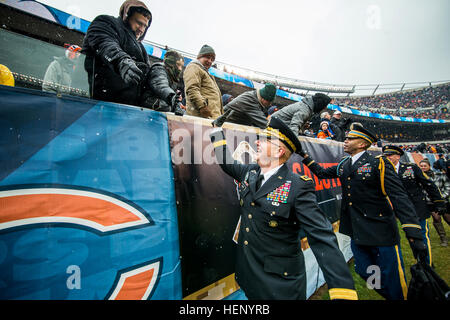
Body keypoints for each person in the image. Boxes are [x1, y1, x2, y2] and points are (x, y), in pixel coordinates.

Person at [209, 116, 357, 300]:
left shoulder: (298, 186)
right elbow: (227, 163)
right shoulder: (251, 172)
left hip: (279, 286)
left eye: (265, 140)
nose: (258, 142)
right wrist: (216, 130)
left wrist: (342, 289)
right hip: (249, 276)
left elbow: (321, 236)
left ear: (279, 151)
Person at [300, 124, 426, 300]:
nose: (345, 140)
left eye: (350, 138)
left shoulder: (379, 163)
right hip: (357, 232)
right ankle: (389, 295)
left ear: (361, 144)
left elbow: (399, 197)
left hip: (381, 232)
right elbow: (321, 173)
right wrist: (304, 156)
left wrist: (413, 230)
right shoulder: (345, 164)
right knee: (366, 273)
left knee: (393, 278)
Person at [382, 145, 446, 266]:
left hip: (417, 208)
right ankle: (420, 262)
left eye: (390, 155)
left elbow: (429, 184)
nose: (387, 158)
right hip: (399, 210)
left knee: (421, 236)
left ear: (398, 156)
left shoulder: (410, 168)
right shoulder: (383, 171)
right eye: (385, 155)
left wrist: (438, 201)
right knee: (411, 238)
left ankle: (427, 265)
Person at [82, 0, 152, 105]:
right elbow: (105, 43)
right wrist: (122, 61)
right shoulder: (106, 22)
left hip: (128, 109)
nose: (142, 29)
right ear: (126, 16)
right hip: (97, 103)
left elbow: (147, 76)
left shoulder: (142, 49)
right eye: (139, 23)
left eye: (145, 26)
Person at [212, 83, 277, 128]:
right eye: (269, 102)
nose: (270, 104)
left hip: (231, 126)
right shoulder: (250, 100)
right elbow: (264, 124)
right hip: (222, 124)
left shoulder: (255, 98)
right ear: (264, 98)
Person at [184, 44, 223, 119]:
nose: (210, 61)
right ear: (199, 57)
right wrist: (202, 106)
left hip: (211, 119)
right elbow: (192, 88)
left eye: (212, 59)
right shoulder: (193, 67)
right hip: (202, 119)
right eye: (208, 57)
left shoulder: (207, 74)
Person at [141, 49, 184, 115]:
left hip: (159, 109)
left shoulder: (172, 77)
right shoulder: (159, 69)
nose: (180, 69)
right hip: (149, 107)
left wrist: (177, 99)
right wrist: (172, 96)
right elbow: (161, 85)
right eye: (178, 64)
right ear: (171, 62)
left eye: (181, 66)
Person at [419, 158, 450, 246]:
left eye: (425, 166)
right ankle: (443, 238)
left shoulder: (440, 175)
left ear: (429, 166)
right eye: (421, 166)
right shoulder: (418, 178)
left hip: (443, 201)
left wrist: (441, 197)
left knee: (447, 217)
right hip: (430, 203)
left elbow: (448, 187)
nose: (423, 167)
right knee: (436, 218)